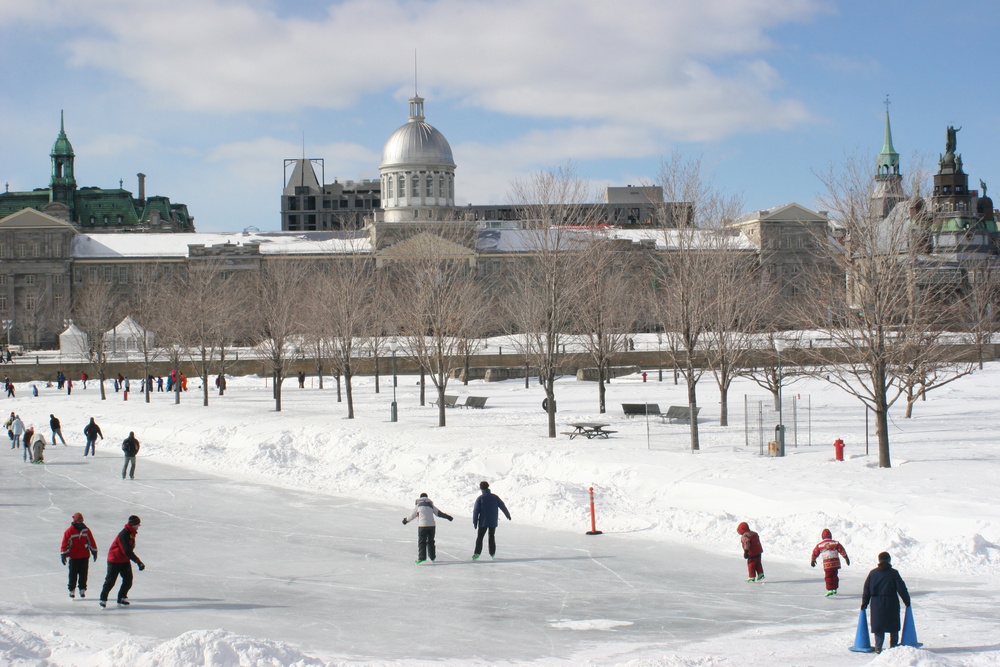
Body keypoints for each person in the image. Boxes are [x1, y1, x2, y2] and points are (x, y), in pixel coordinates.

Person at [862, 552, 911, 654]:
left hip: (876, 603)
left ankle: (878, 646)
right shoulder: (893, 573)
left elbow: (866, 588)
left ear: (879, 560)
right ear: (889, 560)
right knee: (893, 624)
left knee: (878, 626)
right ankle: (893, 645)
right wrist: (906, 600)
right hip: (891, 602)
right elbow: (901, 588)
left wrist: (864, 602)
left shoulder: (873, 573)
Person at [99, 515, 145, 608]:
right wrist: (138, 561)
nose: (139, 526)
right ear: (133, 524)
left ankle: (121, 597)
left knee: (128, 580)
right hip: (114, 560)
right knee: (110, 581)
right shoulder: (124, 534)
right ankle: (103, 599)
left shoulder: (131, 533)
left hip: (124, 560)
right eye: (138, 524)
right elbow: (127, 551)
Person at [403, 493, 453, 564]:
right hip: (432, 526)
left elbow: (412, 515)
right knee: (431, 541)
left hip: (422, 526)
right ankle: (432, 557)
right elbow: (439, 513)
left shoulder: (418, 505)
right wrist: (448, 517)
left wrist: (406, 520)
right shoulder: (430, 505)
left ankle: (422, 558)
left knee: (422, 542)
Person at [60, 512, 98, 598]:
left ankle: (82, 590)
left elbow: (91, 541)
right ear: (75, 521)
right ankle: (72, 590)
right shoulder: (69, 531)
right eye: (78, 521)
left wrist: (94, 551)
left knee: (83, 575)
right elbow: (64, 543)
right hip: (74, 557)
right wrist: (63, 554)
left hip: (84, 556)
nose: (80, 523)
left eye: (81, 521)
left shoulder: (86, 530)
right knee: (73, 574)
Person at [472, 481, 511, 560]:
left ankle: (477, 553)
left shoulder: (480, 498)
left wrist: (475, 521)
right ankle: (492, 553)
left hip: (483, 522)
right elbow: (502, 505)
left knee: (480, 537)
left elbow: (476, 510)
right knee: (491, 537)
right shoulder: (495, 497)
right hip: (493, 522)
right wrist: (507, 514)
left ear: (481, 488)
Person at [811, 528, 850, 596]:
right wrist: (846, 557)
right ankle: (835, 588)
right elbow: (841, 550)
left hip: (827, 565)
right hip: (835, 564)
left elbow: (815, 552)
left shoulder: (820, 545)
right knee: (834, 575)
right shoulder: (835, 543)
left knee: (828, 577)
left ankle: (830, 589)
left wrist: (813, 560)